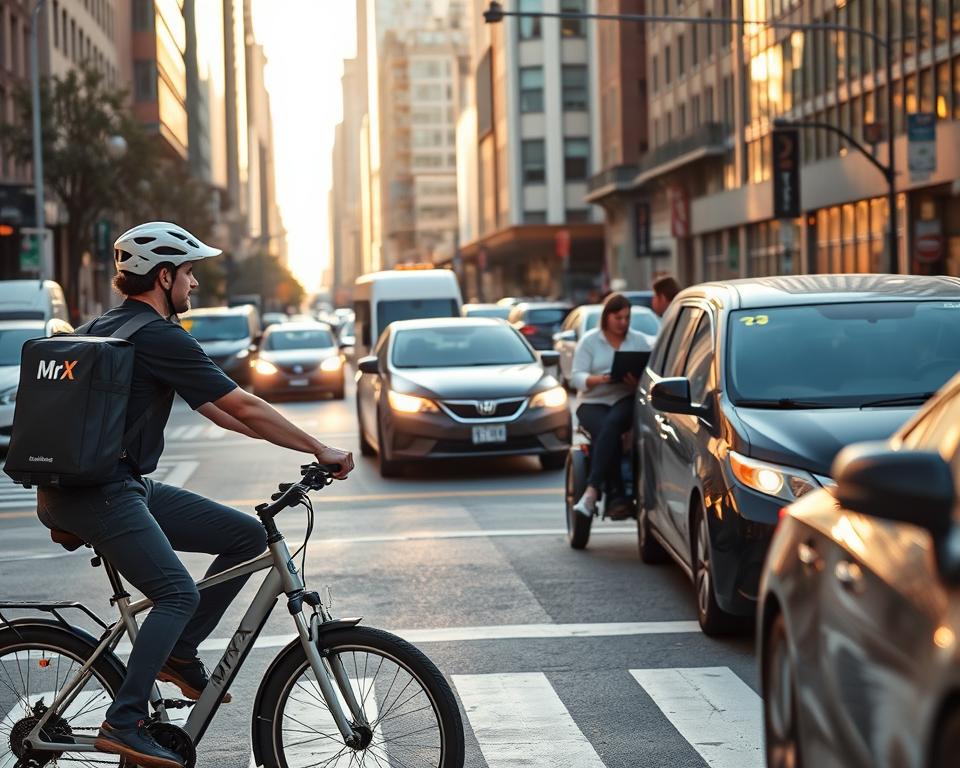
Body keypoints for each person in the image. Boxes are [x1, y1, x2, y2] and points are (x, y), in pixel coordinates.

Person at [36, 222, 355, 768]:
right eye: (188, 273)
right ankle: (124, 721)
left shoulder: (111, 326)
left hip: (110, 484)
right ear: (163, 276)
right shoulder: (159, 335)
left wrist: (289, 444)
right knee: (177, 594)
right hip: (97, 493)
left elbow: (221, 411)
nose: (194, 284)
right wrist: (321, 448)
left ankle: (180, 651)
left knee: (248, 535)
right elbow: (243, 404)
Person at [570, 293, 654, 516]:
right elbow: (576, 377)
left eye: (627, 318)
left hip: (624, 397)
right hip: (592, 401)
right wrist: (599, 379)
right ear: (607, 317)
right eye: (618, 318)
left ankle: (593, 490)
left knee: (613, 423)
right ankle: (615, 495)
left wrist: (636, 382)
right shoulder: (589, 341)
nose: (623, 323)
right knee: (607, 430)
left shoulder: (638, 340)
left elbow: (648, 375)